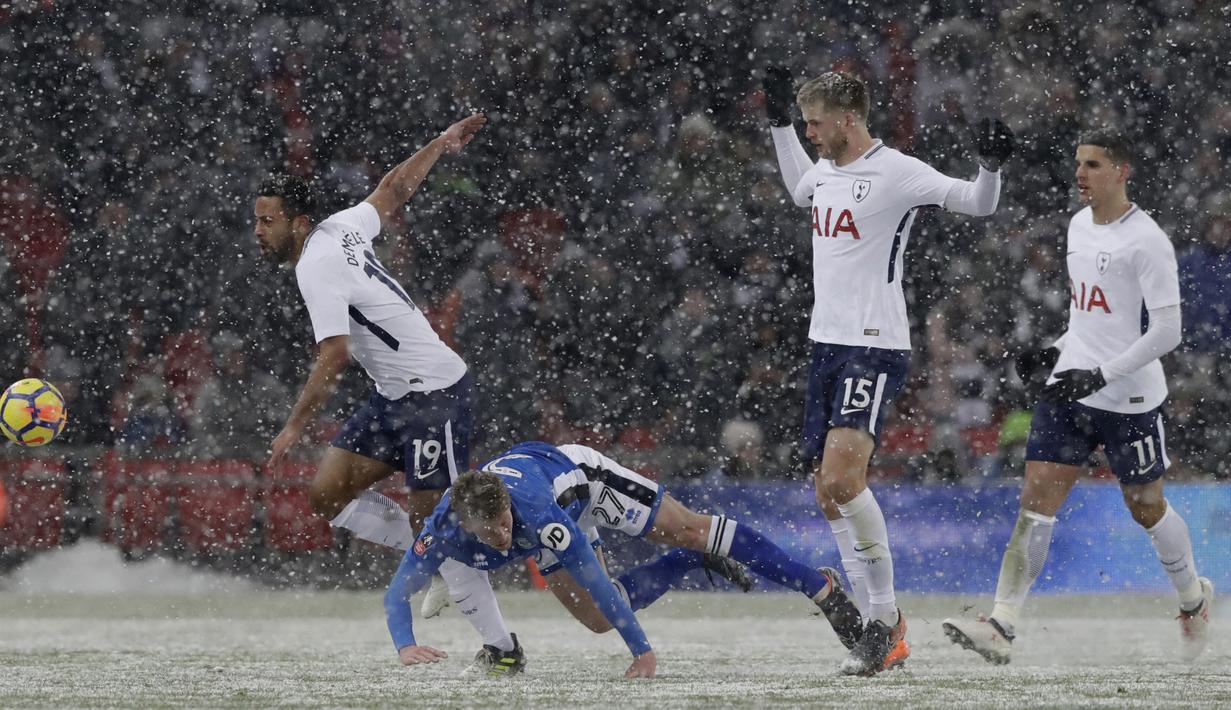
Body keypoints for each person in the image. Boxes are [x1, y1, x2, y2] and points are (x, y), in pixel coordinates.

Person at [762, 66, 1013, 675]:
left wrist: (992, 165)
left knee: (844, 482)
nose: (811, 134)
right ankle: (881, 629)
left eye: (815, 123)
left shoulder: (897, 170)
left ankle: (884, 620)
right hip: (825, 343)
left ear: (848, 117)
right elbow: (803, 189)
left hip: (873, 345)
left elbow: (976, 204)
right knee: (828, 491)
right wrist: (778, 129)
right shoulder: (824, 167)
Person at [254, 112, 520, 662]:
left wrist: (294, 425)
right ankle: (443, 560)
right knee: (327, 495)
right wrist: (439, 143)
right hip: (394, 397)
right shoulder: (342, 227)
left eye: (267, 221)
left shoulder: (314, 266)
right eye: (257, 221)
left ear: (298, 223)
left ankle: (502, 647)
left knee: (434, 521)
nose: (259, 232)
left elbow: (333, 354)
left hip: (435, 393)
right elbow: (393, 190)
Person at [942, 127, 1213, 664]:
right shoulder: (1076, 226)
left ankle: (1192, 599)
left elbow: (1167, 332)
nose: (1080, 174)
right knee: (1036, 501)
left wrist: (1104, 374)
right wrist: (1055, 349)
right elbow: (1089, 314)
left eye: (1092, 165)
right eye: (1078, 164)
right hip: (1071, 386)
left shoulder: (1148, 240)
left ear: (1121, 171)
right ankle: (1002, 622)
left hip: (1131, 397)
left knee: (1146, 506)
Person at [383, 441, 867, 679]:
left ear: (509, 507)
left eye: (506, 523)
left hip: (583, 481)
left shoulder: (535, 514)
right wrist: (405, 645)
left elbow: (593, 575)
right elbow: (397, 591)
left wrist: (643, 652)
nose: (504, 535)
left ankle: (818, 587)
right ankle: (684, 563)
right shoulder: (442, 529)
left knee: (693, 529)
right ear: (466, 525)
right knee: (596, 621)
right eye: (492, 533)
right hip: (553, 508)